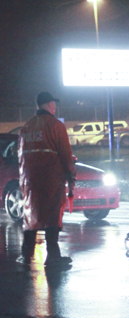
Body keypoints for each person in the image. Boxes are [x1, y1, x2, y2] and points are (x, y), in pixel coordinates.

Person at [17, 91, 76, 267]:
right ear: (49, 105)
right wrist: (71, 175)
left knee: (31, 216)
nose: (55, 107)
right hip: (51, 179)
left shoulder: (25, 128)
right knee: (52, 216)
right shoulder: (56, 126)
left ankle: (26, 254)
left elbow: (20, 159)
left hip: (30, 182)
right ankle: (54, 256)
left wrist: (24, 182)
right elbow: (66, 154)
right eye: (53, 103)